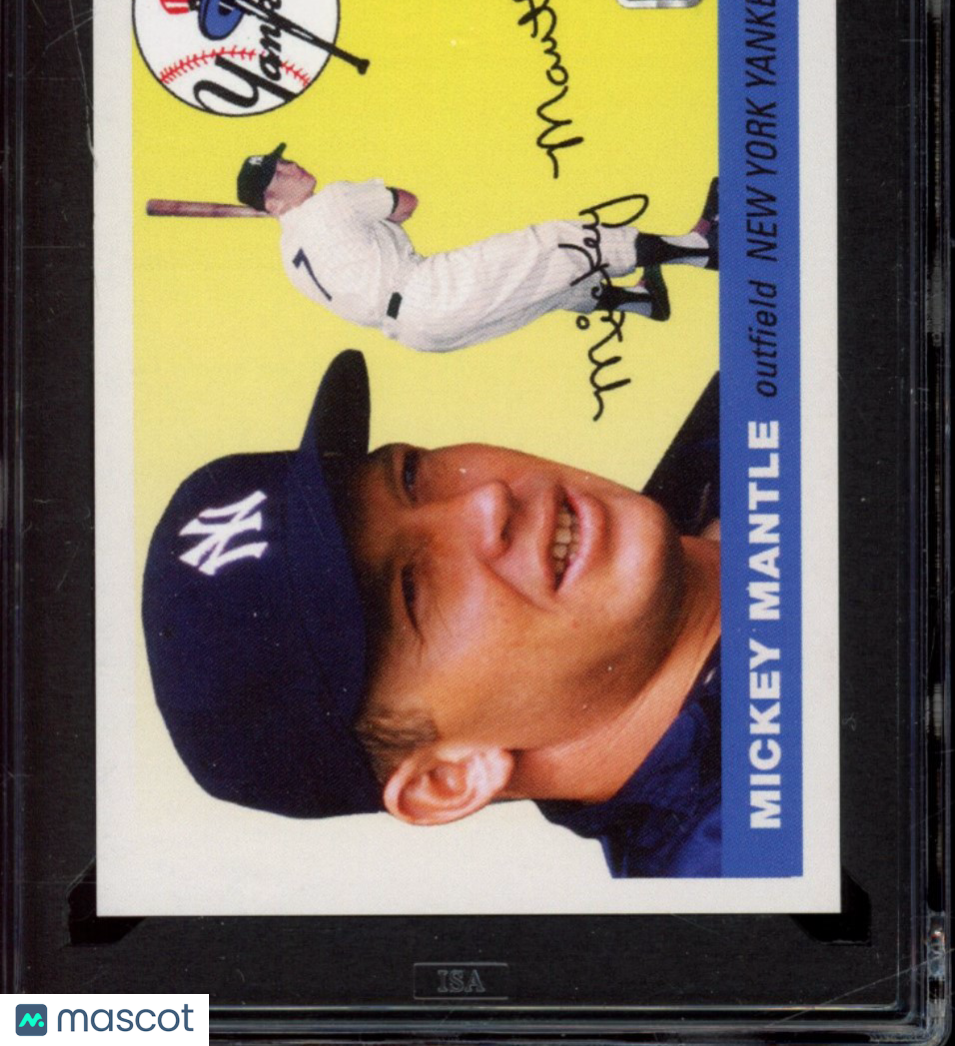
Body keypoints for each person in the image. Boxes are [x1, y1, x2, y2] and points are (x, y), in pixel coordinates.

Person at [143, 351, 721, 878]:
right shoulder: (744, 868)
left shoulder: (745, 406)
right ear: (448, 779)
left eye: (410, 477)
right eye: (412, 590)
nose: (484, 503)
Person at [236, 144, 719, 352]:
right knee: (559, 243)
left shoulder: (290, 257)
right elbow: (406, 205)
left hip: (419, 335)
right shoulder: (332, 200)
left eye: (284, 160)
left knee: (543, 285)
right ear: (272, 202)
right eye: (280, 174)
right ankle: (699, 246)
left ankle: (641, 301)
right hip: (427, 292)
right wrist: (362, 212)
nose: (292, 167)